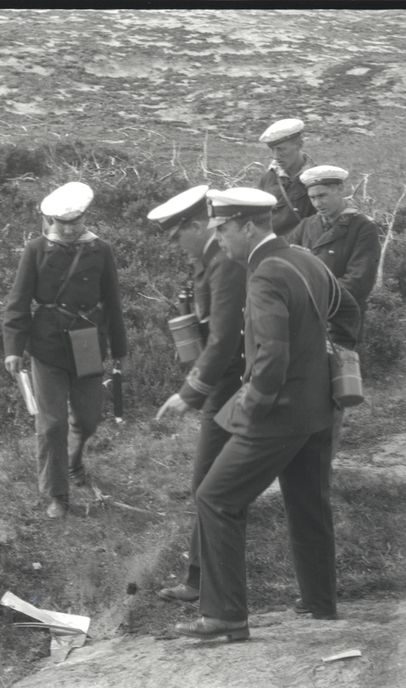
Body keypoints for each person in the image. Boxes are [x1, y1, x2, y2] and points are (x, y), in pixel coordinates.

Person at [173, 188, 340, 641]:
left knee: (215, 498)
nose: (220, 240)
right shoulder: (306, 258)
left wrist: (250, 408)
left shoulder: (264, 273)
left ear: (248, 226)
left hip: (279, 413)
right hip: (320, 408)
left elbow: (272, 357)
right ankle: (320, 601)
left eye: (224, 230)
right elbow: (348, 312)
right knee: (308, 502)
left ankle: (225, 616)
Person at [147, 185, 248, 604]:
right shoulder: (209, 260)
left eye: (177, 236)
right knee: (213, 484)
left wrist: (189, 394)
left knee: (209, 484)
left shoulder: (223, 262)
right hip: (225, 386)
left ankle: (208, 584)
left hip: (231, 388)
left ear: (193, 225)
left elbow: (224, 339)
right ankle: (200, 578)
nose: (176, 245)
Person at [3, 182, 128, 519]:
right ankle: (58, 494)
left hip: (88, 342)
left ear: (85, 218)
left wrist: (118, 349)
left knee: (87, 419)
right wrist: (14, 348)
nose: (70, 229)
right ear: (49, 220)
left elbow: (113, 301)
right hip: (48, 345)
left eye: (76, 222)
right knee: (51, 424)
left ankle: (73, 459)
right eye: (62, 223)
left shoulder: (101, 250)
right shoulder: (35, 250)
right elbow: (17, 302)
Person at [290, 164, 380, 450]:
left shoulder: (362, 228)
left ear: (340, 190)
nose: (318, 203)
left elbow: (358, 282)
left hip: (339, 325)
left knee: (335, 392)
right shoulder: (306, 227)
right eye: (313, 198)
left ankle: (325, 460)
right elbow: (287, 267)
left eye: (323, 195)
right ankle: (307, 454)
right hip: (305, 324)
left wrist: (314, 300)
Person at [255, 118, 317, 238]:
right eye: (272, 150)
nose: (275, 156)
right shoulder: (268, 178)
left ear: (299, 145)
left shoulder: (316, 179)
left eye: (281, 149)